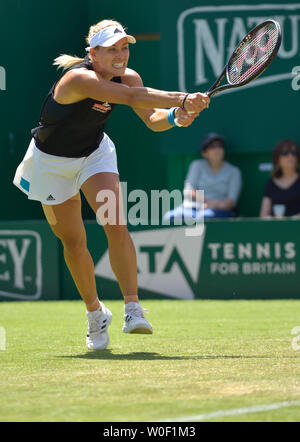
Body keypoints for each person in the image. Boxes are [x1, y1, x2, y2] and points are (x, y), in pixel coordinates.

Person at [13, 19, 210, 351]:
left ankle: (132, 308)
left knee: (115, 223)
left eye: (125, 47)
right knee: (74, 243)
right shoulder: (78, 78)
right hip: (51, 164)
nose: (121, 55)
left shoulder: (128, 77)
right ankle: (95, 314)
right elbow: (132, 95)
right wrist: (184, 98)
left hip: (94, 153)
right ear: (93, 53)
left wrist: (176, 116)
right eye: (112, 49)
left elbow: (152, 120)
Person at [163, 133, 242, 222]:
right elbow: (189, 192)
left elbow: (231, 202)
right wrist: (208, 202)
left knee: (203, 217)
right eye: (212, 147)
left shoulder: (234, 171)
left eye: (220, 146)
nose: (217, 149)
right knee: (169, 216)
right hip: (193, 208)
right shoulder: (196, 165)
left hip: (219, 211)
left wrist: (212, 205)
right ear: (205, 153)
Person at [260, 139, 300, 218]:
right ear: (277, 158)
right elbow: (263, 215)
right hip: (276, 228)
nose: (290, 156)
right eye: (285, 153)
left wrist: (292, 219)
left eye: (294, 153)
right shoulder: (271, 183)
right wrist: (273, 219)